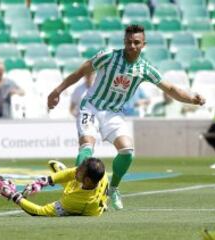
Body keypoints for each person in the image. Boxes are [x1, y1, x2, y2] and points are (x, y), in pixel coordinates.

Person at [47, 25, 205, 210]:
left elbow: (170, 89)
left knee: (127, 151)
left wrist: (192, 98)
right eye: (129, 42)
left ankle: (112, 188)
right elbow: (81, 71)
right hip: (91, 107)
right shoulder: (108, 56)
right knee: (87, 148)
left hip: (114, 113)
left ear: (143, 44)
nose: (132, 45)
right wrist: (57, 91)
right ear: (124, 42)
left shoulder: (144, 68)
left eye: (136, 42)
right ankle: (76, 190)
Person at [0, 157, 108, 217]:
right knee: (67, 175)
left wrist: (13, 195)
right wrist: (44, 181)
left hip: (84, 207)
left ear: (87, 180)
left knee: (69, 183)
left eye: (80, 170)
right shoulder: (101, 174)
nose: (76, 170)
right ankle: (60, 176)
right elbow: (71, 173)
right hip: (92, 194)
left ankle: (63, 177)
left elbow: (39, 211)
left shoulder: (73, 201)